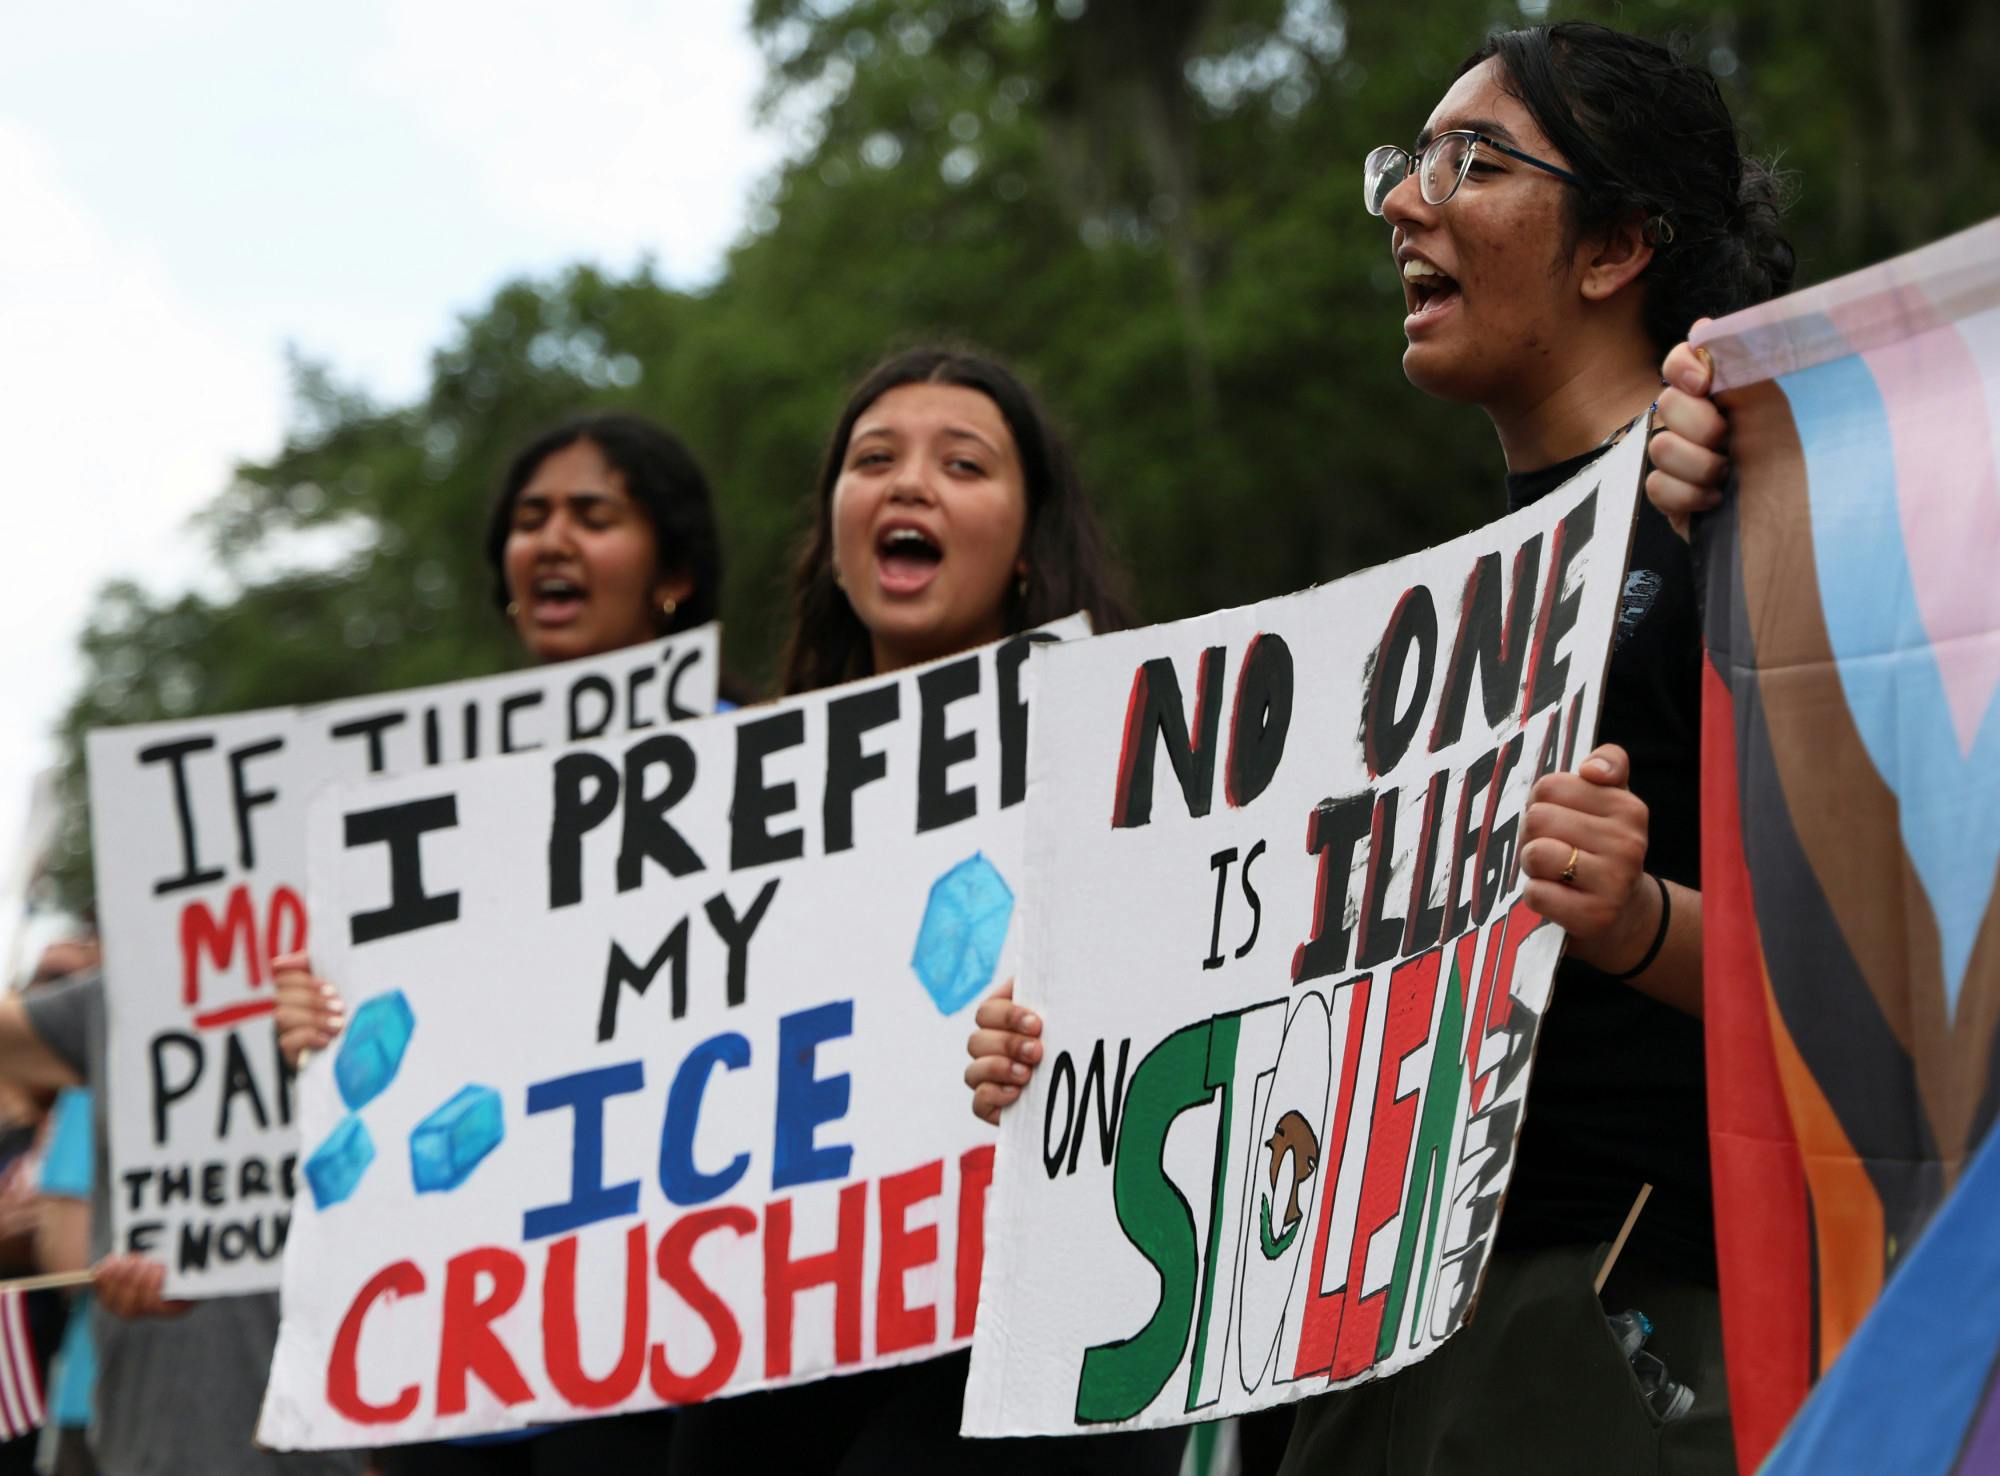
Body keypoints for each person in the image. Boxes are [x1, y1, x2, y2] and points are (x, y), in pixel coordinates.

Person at [968, 22, 1788, 1476]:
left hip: (1618, 1328)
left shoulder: (1738, 507)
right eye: (1406, 165)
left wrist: (1641, 922)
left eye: (1472, 162)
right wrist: (1076, 1043)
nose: (1406, 203)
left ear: (1617, 246)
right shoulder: (1431, 626)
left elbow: (1886, 974)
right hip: (1361, 1344)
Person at [666, 345, 1181, 1476]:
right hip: (776, 1344)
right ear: (835, 535)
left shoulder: (1137, 763)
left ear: (1024, 546)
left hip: (1030, 1343)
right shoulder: (717, 805)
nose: (908, 485)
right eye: (873, 459)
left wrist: (1065, 1047)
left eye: (962, 463)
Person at [271, 412, 725, 1473]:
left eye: (593, 515)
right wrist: (317, 1026)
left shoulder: (769, 762)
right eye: (529, 521)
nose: (551, 540)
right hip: (455, 1352)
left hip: (662, 1341)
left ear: (673, 572)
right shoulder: (426, 801)